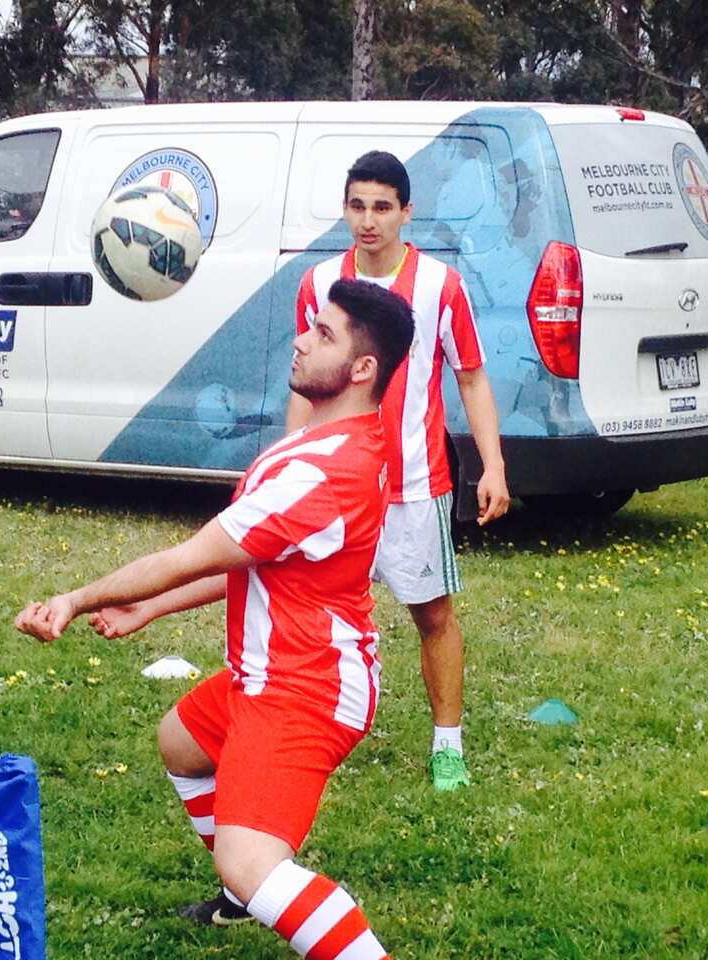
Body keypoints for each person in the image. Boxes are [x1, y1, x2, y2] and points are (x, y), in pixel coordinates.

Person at [15, 278, 415, 954]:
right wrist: (150, 608)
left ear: (362, 368)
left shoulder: (324, 472)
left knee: (252, 860)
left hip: (305, 688)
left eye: (324, 335)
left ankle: (259, 885)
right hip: (278, 671)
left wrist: (78, 598)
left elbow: (191, 555)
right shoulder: (346, 440)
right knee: (182, 742)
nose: (301, 339)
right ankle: (245, 895)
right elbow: (255, 559)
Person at [286, 150, 510, 793]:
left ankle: (447, 748)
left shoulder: (441, 285)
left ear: (406, 213)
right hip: (334, 485)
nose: (369, 220)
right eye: (357, 205)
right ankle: (310, 729)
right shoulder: (321, 282)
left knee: (433, 616)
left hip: (415, 486)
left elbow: (470, 376)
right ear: (345, 208)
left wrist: (491, 466)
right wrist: (286, 461)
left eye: (382, 207)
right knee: (307, 610)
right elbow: (305, 377)